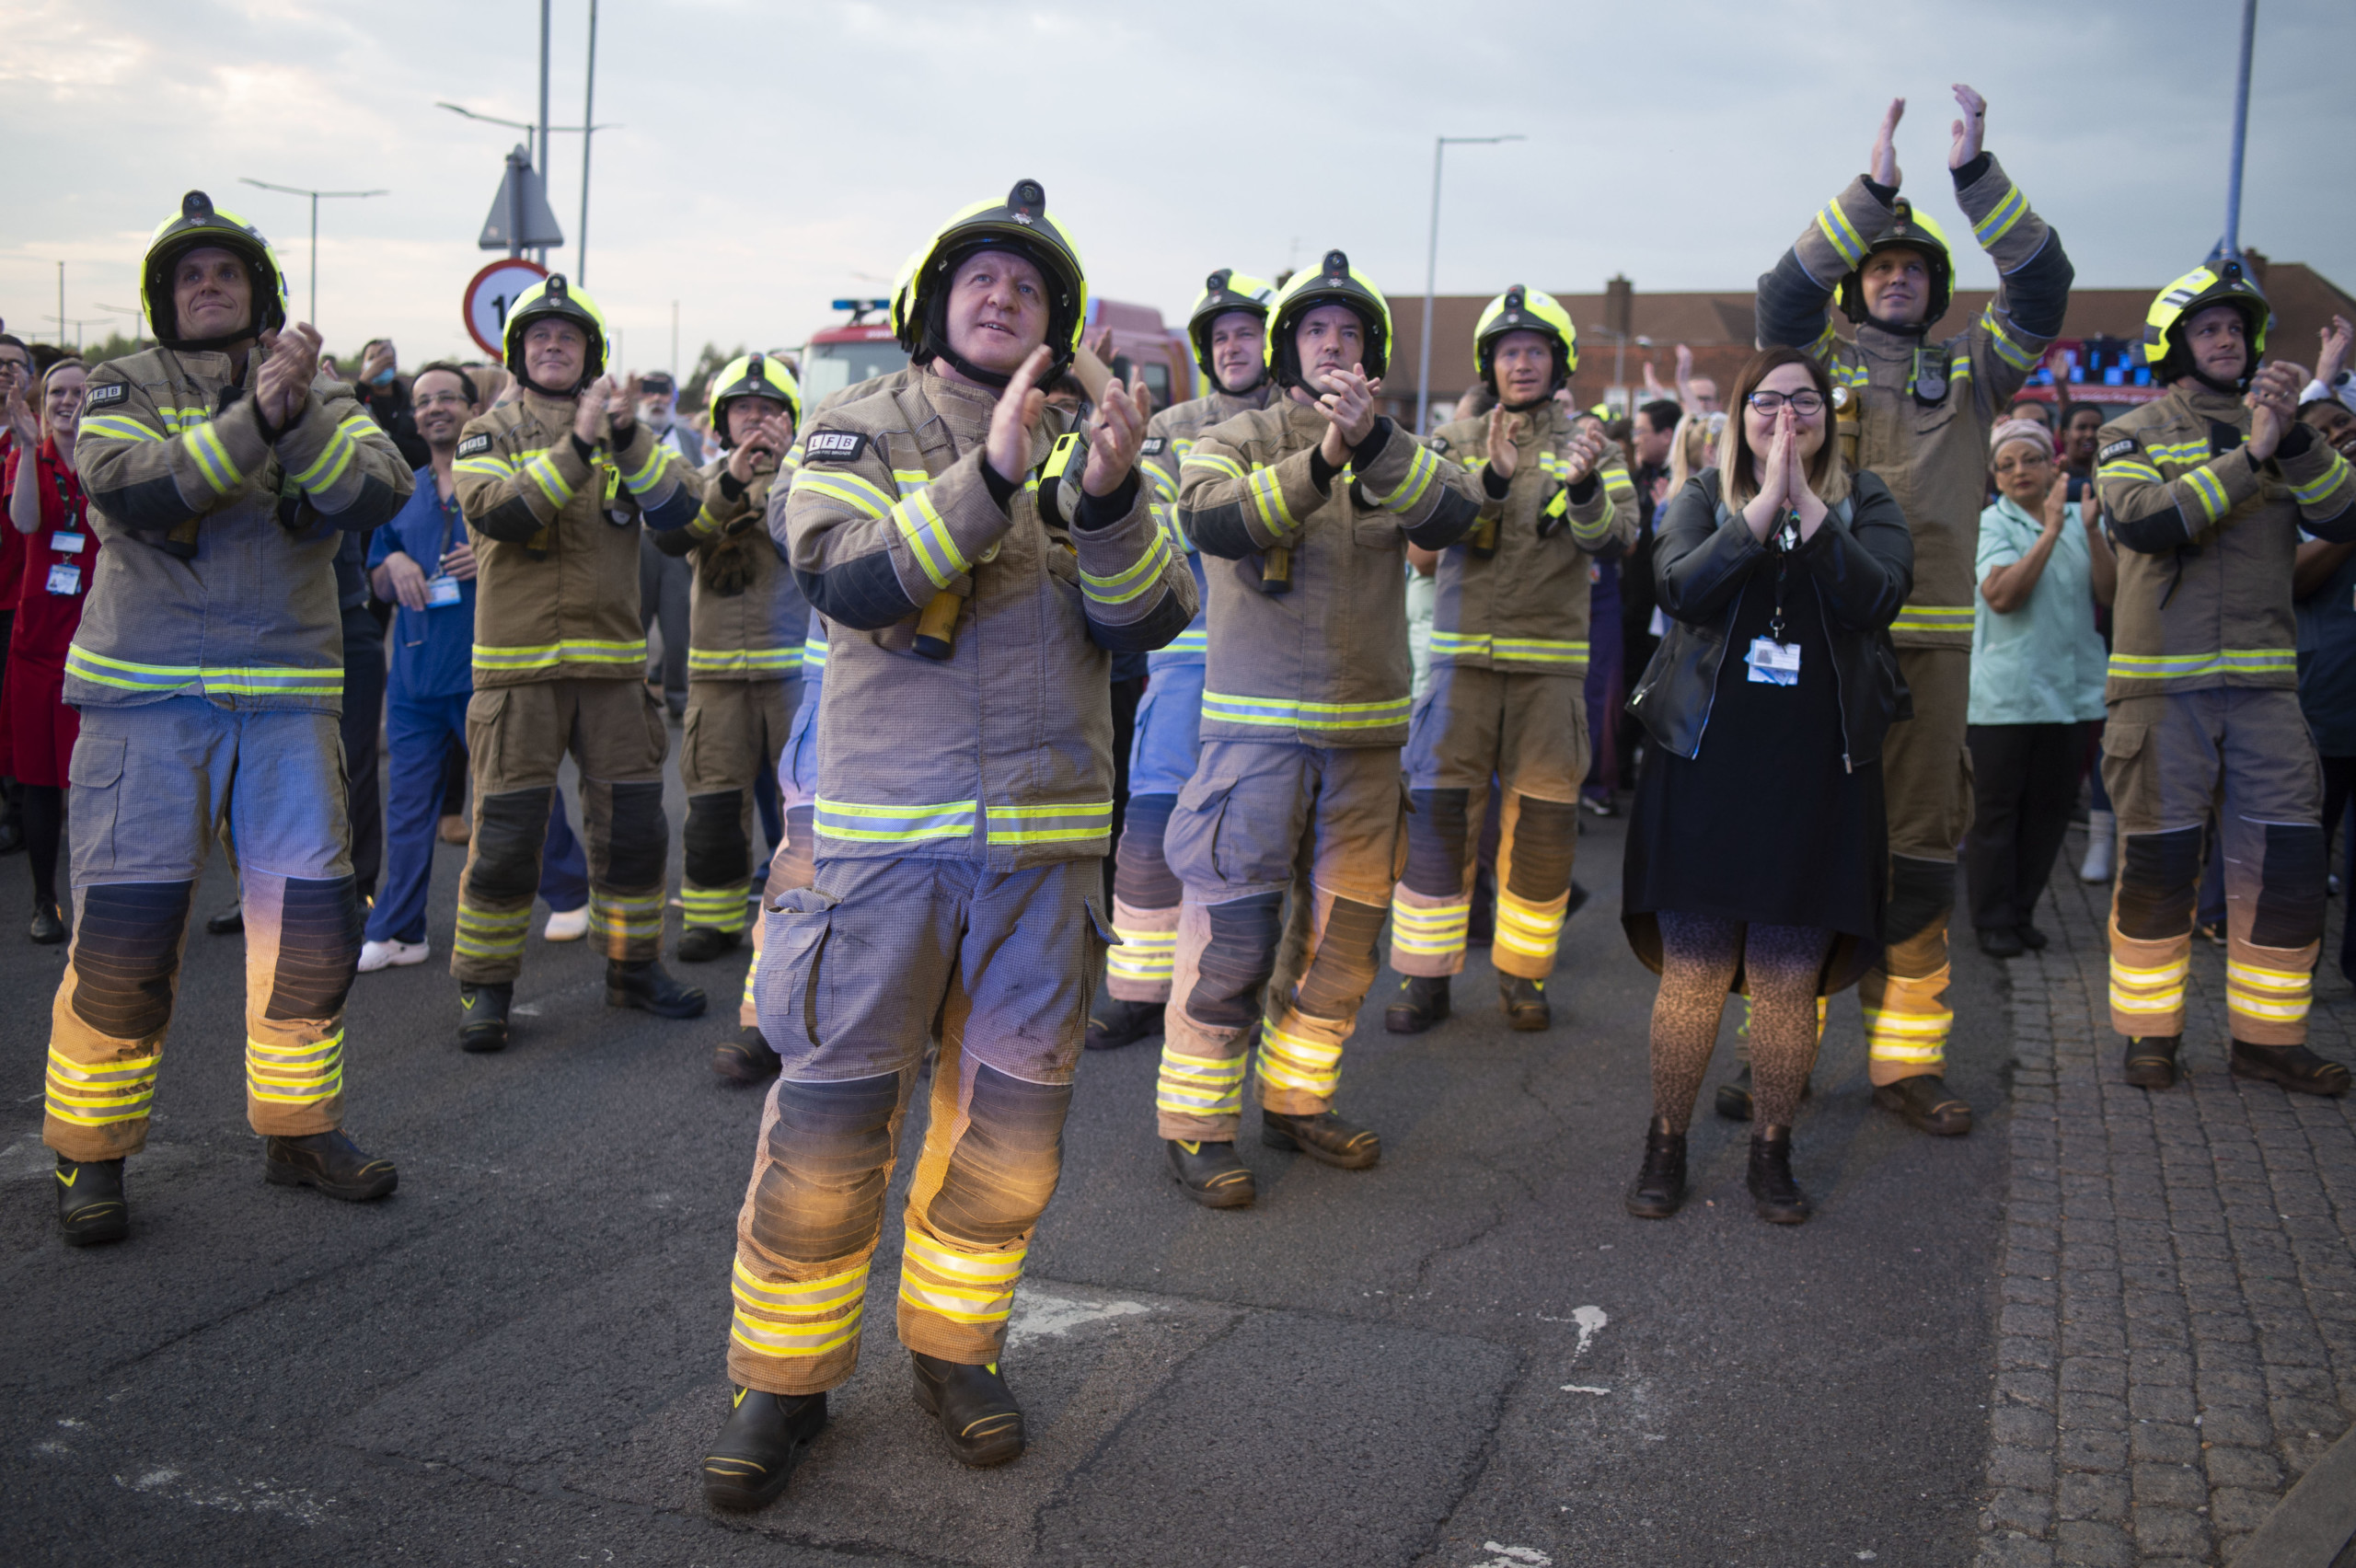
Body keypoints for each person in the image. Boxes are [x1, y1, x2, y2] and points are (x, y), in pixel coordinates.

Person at [699, 181, 1195, 1506]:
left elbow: (1147, 622)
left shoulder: (1101, 448)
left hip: (1043, 860)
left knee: (1008, 1138)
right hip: (880, 856)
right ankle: (782, 1383)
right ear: (933, 303)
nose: (1001, 297)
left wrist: (1107, 496)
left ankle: (954, 1352)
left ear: (1058, 324)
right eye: (979, 278)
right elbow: (849, 576)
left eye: (1027, 287)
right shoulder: (858, 426)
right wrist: (993, 476)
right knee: (829, 1126)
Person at [45, 190, 413, 1246]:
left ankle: (299, 1130)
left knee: (308, 933)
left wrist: (298, 413)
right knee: (125, 937)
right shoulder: (123, 382)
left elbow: (372, 494)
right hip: (146, 700)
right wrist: (260, 418)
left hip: (288, 701)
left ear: (262, 293)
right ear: (164, 298)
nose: (208, 286)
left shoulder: (319, 389)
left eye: (227, 273)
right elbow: (136, 490)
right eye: (190, 276)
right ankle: (90, 1154)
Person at [1751, 85, 2073, 1136]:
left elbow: (2042, 285)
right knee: (1799, 848)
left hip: (1929, 658)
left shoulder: (1973, 370)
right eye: (1880, 265)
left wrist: (1973, 177)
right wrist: (1871, 188)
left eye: (1915, 269)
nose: (1897, 277)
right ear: (1858, 283)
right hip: (1815, 646)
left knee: (1921, 858)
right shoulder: (1817, 366)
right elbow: (1781, 298)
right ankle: (1779, 1055)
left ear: (1936, 290)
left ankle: (1905, 1065)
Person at [1150, 248, 1479, 1207]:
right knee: (1233, 944)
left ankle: (1297, 1102)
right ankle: (1198, 1126)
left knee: (1341, 947)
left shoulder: (1400, 446)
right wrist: (1323, 460)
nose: (1331, 344)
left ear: (1370, 352)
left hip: (1366, 748)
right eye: (1314, 330)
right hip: (1252, 747)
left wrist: (1372, 445)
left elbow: (1454, 514)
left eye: (1347, 332)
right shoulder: (1237, 436)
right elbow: (1210, 521)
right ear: (1286, 347)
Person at [1621, 347, 1912, 1225]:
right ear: (1739, 415)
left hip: (1817, 770)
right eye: (1767, 401)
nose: (1787, 416)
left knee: (1789, 976)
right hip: (1705, 765)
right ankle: (1665, 1143)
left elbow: (1879, 599)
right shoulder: (1701, 498)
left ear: (1831, 415)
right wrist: (1760, 509)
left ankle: (1772, 1151)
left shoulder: (1868, 500)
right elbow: (1680, 588)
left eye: (1806, 400)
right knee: (1696, 969)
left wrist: (1807, 506)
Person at [2097, 259, 2355, 1094]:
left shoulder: (2284, 429)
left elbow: (2344, 514)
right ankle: (2150, 1034)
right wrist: (2253, 456)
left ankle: (2268, 1040)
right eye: (2208, 328)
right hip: (2161, 695)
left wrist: (2300, 434)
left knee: (2285, 870)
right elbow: (2145, 521)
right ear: (2173, 345)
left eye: (2237, 328)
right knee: (2161, 869)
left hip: (2266, 695)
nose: (2227, 340)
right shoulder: (2129, 432)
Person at [448, 274, 710, 1052]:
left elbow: (682, 515)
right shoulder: (487, 431)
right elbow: (501, 512)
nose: (553, 346)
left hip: (614, 678)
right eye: (539, 336)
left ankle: (633, 968)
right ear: (518, 352)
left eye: (568, 337)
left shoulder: (627, 437)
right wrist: (579, 445)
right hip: (518, 675)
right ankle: (486, 989)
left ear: (590, 354)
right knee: (506, 839)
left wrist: (626, 437)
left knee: (633, 835)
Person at [1385, 287, 1634, 1032]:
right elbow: (1422, 549)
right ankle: (1424, 978)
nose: (1521, 363)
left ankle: (1524, 976)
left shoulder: (1596, 446)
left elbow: (1619, 539)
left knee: (1543, 829)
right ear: (1487, 364)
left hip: (1549, 675)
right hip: (1460, 667)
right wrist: (1488, 482)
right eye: (1507, 351)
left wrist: (1584, 488)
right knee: (1439, 823)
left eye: (1534, 350)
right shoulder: (1453, 439)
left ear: (1560, 362)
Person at [1088, 268, 1279, 1053]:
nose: (1233, 348)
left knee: (1246, 838)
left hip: (1268, 670)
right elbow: (1168, 524)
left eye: (1247, 334)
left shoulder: (1301, 424)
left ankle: (1232, 990)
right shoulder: (1172, 426)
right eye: (1221, 337)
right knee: (1150, 822)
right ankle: (1136, 989)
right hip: (1183, 662)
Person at [358, 362, 590, 973]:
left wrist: (489, 558)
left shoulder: (500, 482)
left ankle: (570, 892)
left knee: (516, 796)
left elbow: (546, 558)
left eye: (448, 398)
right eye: (423, 401)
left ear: (473, 410)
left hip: (486, 672)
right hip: (414, 681)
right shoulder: (402, 491)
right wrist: (393, 566)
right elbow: (376, 579)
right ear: (414, 418)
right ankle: (400, 930)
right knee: (408, 810)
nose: (434, 408)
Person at [648, 353, 805, 964]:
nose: (755, 420)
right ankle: (712, 922)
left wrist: (788, 471)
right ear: (721, 420)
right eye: (743, 409)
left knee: (804, 809)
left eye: (768, 409)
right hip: (715, 678)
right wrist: (732, 484)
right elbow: (673, 537)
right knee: (713, 803)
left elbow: (810, 545)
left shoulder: (812, 477)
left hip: (793, 677)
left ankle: (803, 921)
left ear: (790, 420)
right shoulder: (700, 480)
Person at [1965, 419, 2113, 958]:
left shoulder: (2082, 518)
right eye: (2006, 465)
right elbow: (2002, 597)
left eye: (2031, 459)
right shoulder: (1990, 523)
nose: (2019, 471)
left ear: (2055, 466)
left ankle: (2022, 912)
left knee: (2049, 816)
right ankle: (1992, 920)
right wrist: (2049, 532)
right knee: (1996, 815)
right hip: (2005, 699)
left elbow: (2110, 593)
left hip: (2071, 697)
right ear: (1995, 477)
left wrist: (2089, 532)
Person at [3, 357, 94, 941]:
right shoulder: (26, 457)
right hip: (37, 641)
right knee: (39, 781)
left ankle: (96, 905)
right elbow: (26, 523)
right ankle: (44, 902)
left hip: (97, 639)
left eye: (79, 392)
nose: (67, 401)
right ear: (42, 403)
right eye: (57, 391)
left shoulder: (109, 457)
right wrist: (27, 447)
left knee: (93, 781)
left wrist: (87, 453)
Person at [2292, 394, 2356, 986]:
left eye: (2345, 422)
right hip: (2324, 703)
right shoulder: (2295, 501)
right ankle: (2290, 969)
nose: (2338, 434)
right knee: (2309, 848)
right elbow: (2295, 581)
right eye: (2322, 429)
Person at [636, 370, 700, 721]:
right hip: (636, 543)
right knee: (633, 625)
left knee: (679, 629)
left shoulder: (690, 440)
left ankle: (678, 697)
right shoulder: (626, 436)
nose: (656, 399)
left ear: (674, 397)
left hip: (677, 544)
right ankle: (631, 697)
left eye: (662, 392)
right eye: (649, 392)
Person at [0, 332, 36, 859]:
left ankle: (17, 811)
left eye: (14, 364)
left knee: (11, 711)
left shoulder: (40, 439)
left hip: (18, 598)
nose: (5, 371)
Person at [352, 338, 431, 468]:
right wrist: (364, 382)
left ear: (395, 365)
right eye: (373, 358)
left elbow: (424, 451)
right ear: (363, 365)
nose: (379, 364)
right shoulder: (357, 400)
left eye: (385, 359)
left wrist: (385, 435)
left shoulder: (411, 404)